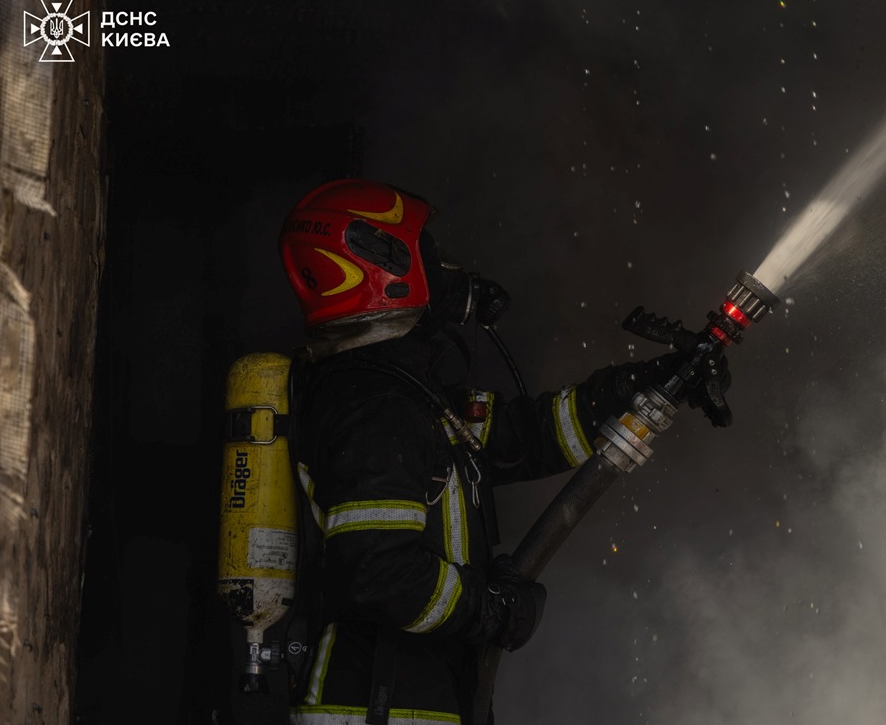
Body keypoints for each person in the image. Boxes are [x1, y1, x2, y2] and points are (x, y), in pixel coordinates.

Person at [278, 179, 707, 725]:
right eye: (427, 251)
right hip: (375, 708)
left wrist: (646, 382)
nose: (447, 270)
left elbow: (526, 437)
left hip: (412, 705)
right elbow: (383, 575)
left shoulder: (412, 401)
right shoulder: (375, 407)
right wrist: (493, 611)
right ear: (382, 264)